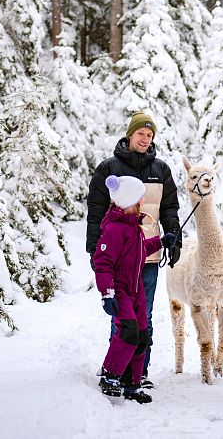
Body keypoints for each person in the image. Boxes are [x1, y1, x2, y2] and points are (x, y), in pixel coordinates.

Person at [86, 111, 181, 388]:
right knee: (121, 316)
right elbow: (95, 212)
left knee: (145, 318)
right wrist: (95, 250)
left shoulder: (161, 170)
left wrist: (173, 237)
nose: (145, 139)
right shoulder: (109, 168)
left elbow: (170, 208)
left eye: (150, 135)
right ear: (130, 134)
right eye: (141, 133)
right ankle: (115, 371)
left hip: (148, 255)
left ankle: (139, 374)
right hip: (119, 259)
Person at [94, 175, 176, 403]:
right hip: (120, 290)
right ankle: (110, 375)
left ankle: (133, 382)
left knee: (141, 335)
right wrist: (107, 293)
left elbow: (140, 250)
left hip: (136, 288)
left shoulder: (133, 226)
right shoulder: (114, 229)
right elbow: (103, 263)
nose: (141, 202)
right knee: (128, 331)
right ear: (127, 201)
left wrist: (161, 241)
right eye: (138, 199)